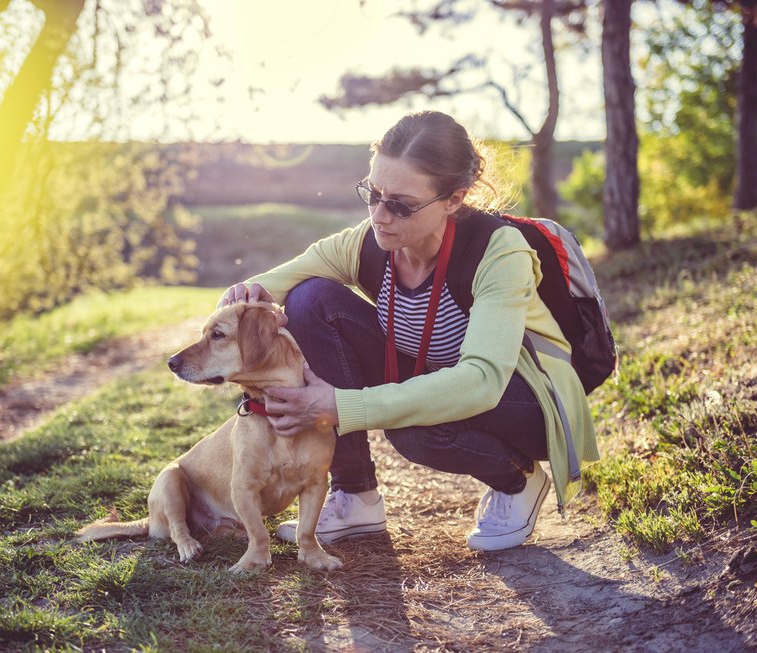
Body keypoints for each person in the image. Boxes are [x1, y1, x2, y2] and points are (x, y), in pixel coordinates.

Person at [217, 111, 599, 552]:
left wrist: (341, 405)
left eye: (400, 203)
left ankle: (518, 479)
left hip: (521, 398)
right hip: (441, 376)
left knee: (413, 430)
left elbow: (481, 382)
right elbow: (283, 280)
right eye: (372, 194)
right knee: (310, 299)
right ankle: (356, 496)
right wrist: (244, 300)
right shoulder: (372, 241)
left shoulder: (500, 252)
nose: (380, 216)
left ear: (454, 199)